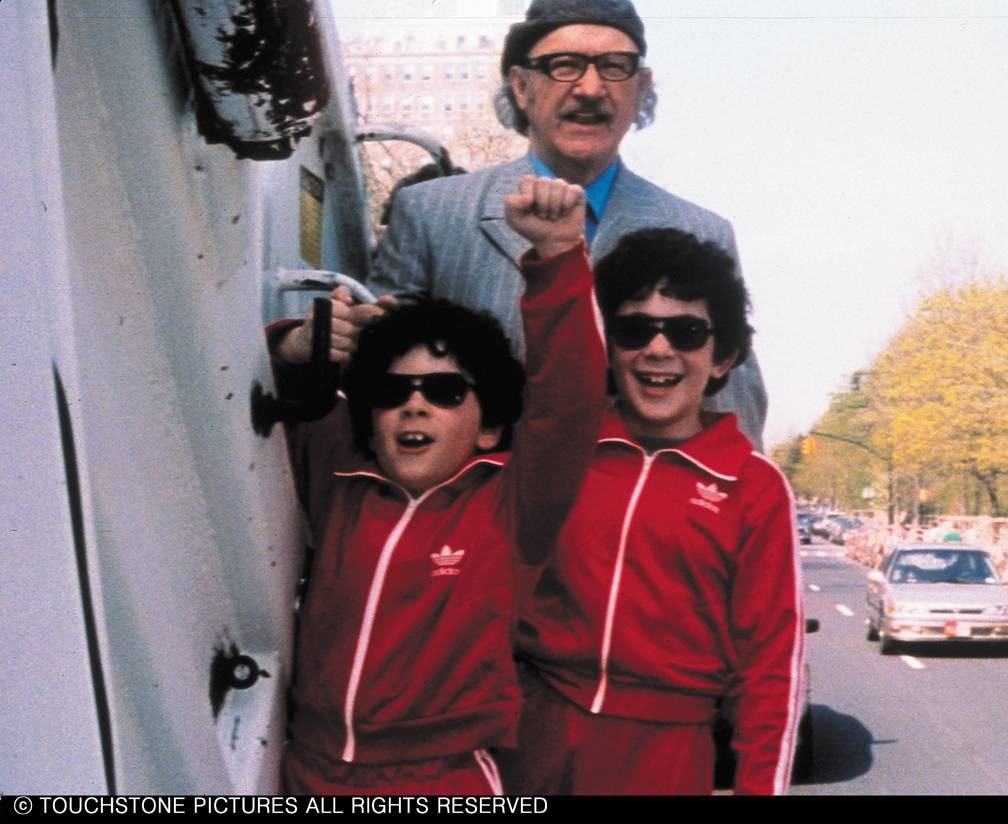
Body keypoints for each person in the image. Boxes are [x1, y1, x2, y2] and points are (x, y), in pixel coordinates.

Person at [267, 177, 605, 794]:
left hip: (442, 779)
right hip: (309, 770)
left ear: (490, 427)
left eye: (446, 392)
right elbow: (270, 404)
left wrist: (558, 255)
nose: (415, 405)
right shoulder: (341, 481)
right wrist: (291, 347)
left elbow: (568, 402)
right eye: (394, 391)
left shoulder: (511, 506)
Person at [368, 0, 767, 448]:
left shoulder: (700, 233)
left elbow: (733, 413)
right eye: (564, 66)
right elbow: (374, 378)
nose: (591, 88)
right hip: (482, 488)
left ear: (641, 88)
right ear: (521, 86)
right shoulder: (431, 214)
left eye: (615, 66)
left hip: (642, 491)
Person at [498, 228, 805, 796]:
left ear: (722, 357)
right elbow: (552, 354)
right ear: (609, 346)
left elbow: (770, 671)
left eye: (686, 332)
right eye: (635, 330)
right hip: (531, 735)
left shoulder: (753, 487)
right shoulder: (563, 447)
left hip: (664, 753)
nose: (658, 350)